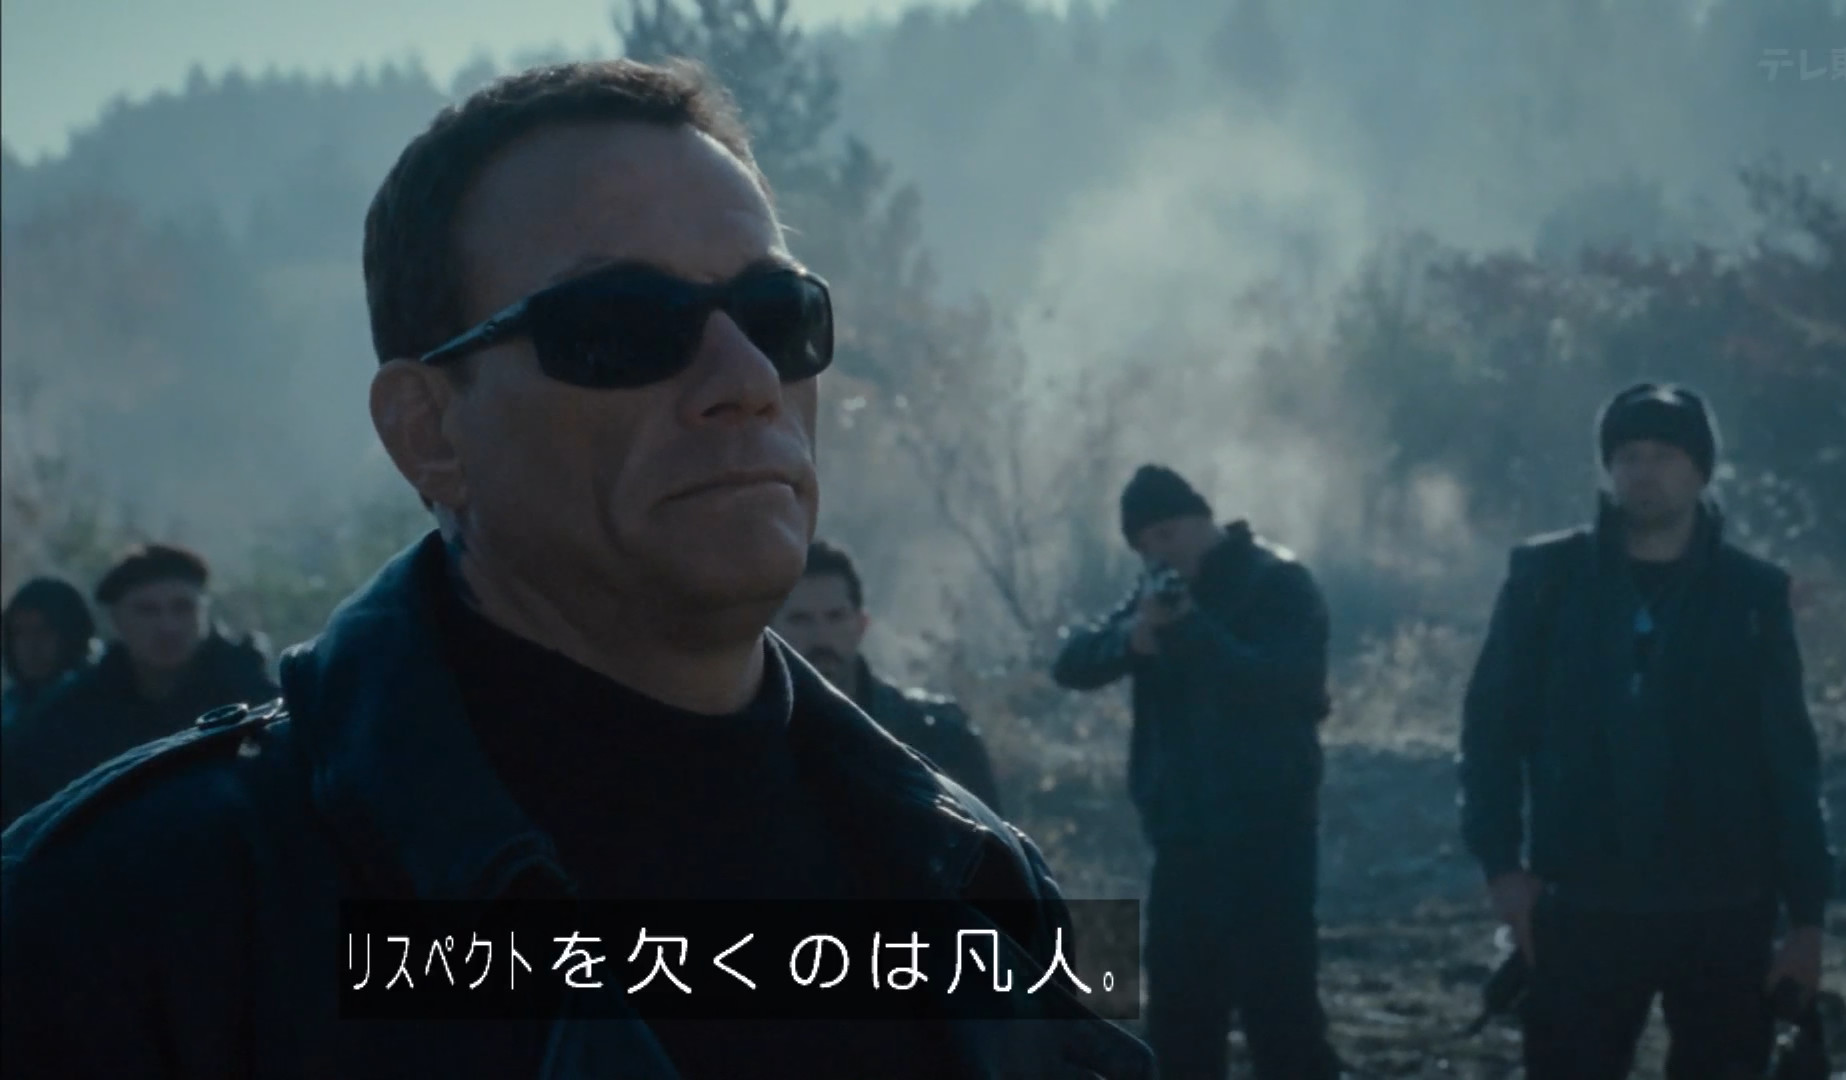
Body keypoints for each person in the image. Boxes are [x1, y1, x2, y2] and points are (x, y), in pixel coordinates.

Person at [1, 59, 1151, 1080]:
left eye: (777, 313)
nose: (746, 380)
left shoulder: (976, 873)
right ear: (429, 433)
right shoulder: (124, 921)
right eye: (620, 324)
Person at [1458, 382, 1832, 1079]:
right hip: (1581, 899)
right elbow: (1490, 730)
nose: (1644, 472)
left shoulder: (1751, 595)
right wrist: (1502, 867)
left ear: (1699, 470)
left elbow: (1789, 760)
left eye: (1664, 455)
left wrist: (1807, 920)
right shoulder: (1548, 581)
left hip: (1725, 905)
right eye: (1629, 456)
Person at [1052, 464, 1343, 1080]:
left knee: (1283, 1021)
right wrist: (1135, 640)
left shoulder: (1277, 582)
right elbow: (1072, 661)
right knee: (1180, 1027)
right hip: (1184, 839)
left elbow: (1280, 683)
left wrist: (1188, 631)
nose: (1160, 551)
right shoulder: (1156, 594)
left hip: (1269, 839)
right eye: (1145, 544)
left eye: (1167, 533)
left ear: (1202, 520)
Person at [0, 545, 275, 827]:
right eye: (147, 610)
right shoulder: (72, 715)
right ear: (118, 620)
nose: (168, 626)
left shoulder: (257, 704)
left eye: (183, 607)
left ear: (204, 611)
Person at [773, 539, 1003, 811]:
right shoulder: (751, 741)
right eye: (800, 619)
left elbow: (984, 834)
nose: (821, 637)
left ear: (861, 625)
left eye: (836, 617)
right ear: (770, 629)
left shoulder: (938, 741)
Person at [0, 577, 96, 728]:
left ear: (71, 635)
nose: (30, 645)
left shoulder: (97, 703)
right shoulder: (10, 707)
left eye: (43, 631)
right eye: (19, 632)